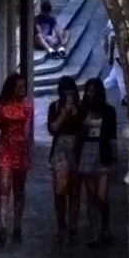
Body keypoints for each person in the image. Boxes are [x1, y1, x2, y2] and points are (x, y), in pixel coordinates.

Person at [0, 69, 34, 246]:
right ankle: (3, 226)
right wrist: (1, 121)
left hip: (20, 149)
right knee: (4, 188)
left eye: (24, 86)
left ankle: (17, 225)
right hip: (6, 148)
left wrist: (27, 150)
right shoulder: (1, 104)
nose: (23, 89)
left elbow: (28, 129)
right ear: (12, 88)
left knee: (19, 190)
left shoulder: (27, 105)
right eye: (20, 87)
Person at [76, 74, 117, 247]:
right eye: (88, 91)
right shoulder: (83, 111)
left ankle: (105, 226)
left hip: (103, 153)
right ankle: (94, 232)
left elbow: (113, 137)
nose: (90, 94)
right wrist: (84, 123)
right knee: (91, 195)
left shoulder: (108, 111)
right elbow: (78, 134)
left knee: (102, 195)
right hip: (88, 150)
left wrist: (115, 160)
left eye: (93, 91)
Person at [46, 80, 81, 245]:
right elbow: (52, 129)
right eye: (65, 93)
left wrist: (76, 114)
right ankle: (61, 223)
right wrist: (63, 115)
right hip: (60, 149)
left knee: (74, 190)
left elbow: (85, 128)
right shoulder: (54, 107)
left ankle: (73, 226)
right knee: (60, 189)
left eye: (71, 93)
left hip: (77, 149)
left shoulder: (81, 108)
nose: (69, 97)